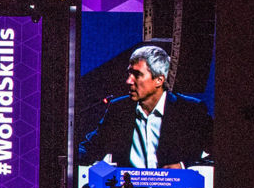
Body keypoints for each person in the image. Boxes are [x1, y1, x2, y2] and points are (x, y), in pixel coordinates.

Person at [78, 45, 212, 170]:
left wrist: (183, 166)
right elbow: (90, 148)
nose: (128, 81)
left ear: (159, 80)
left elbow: (218, 151)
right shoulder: (119, 109)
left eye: (137, 75)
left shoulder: (190, 110)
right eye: (129, 73)